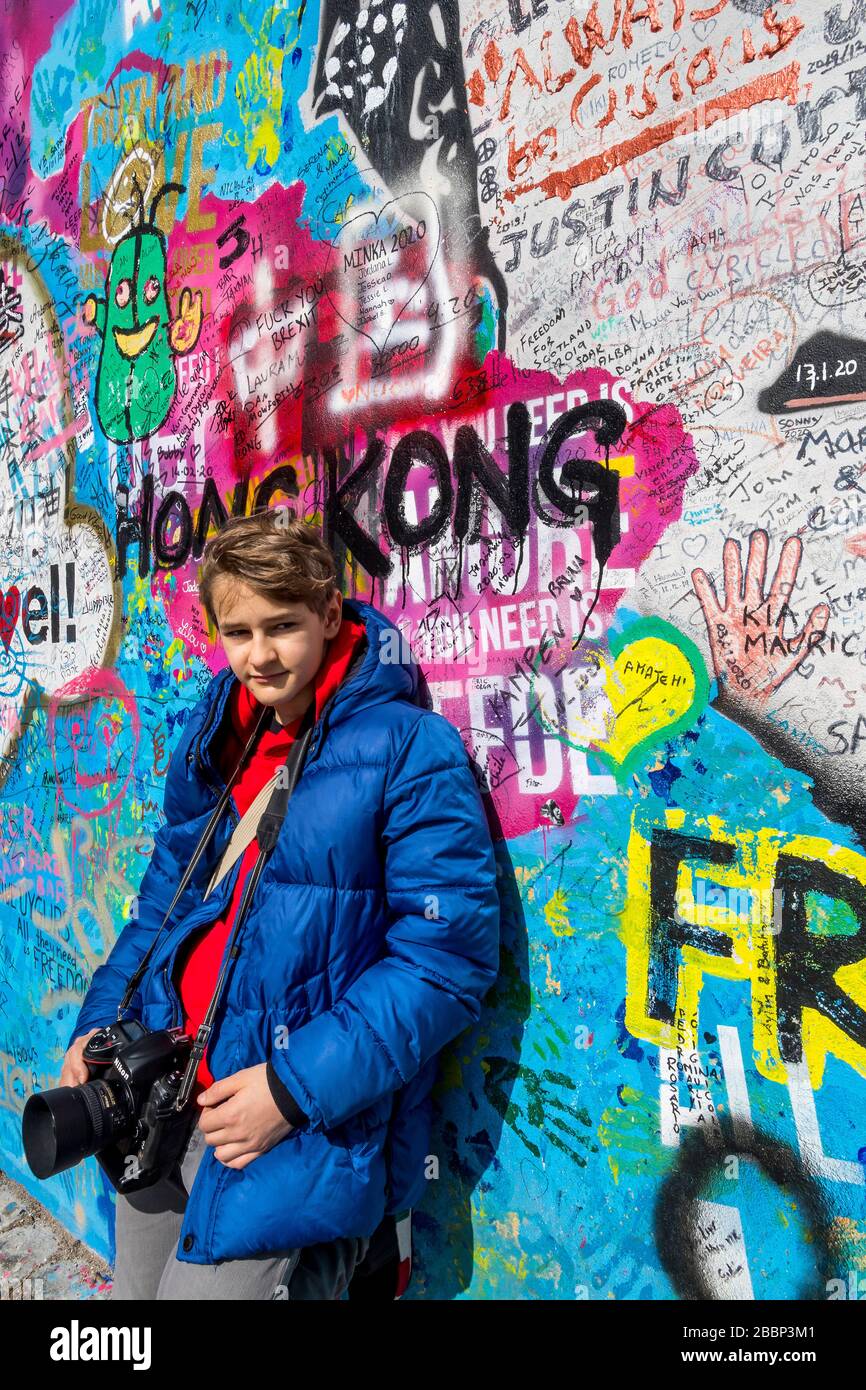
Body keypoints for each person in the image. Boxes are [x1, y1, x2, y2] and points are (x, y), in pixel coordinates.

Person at [60, 509, 501, 1300]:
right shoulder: (218, 744)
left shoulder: (409, 749)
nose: (258, 655)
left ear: (330, 615)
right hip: (164, 1102)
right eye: (237, 632)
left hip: (285, 1134)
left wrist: (292, 1090)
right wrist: (101, 1021)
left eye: (283, 626)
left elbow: (447, 962)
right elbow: (161, 910)